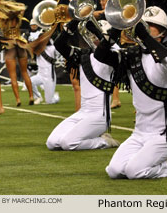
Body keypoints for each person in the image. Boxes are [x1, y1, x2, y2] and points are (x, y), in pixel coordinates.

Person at [106, 6, 167, 179]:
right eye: (143, 23)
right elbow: (104, 56)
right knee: (114, 171)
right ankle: (157, 162)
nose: (144, 26)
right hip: (139, 133)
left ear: (163, 33)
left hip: (164, 136)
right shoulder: (133, 54)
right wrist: (113, 30)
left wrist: (145, 37)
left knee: (135, 172)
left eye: (151, 24)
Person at [46, 18, 120, 150]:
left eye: (95, 34)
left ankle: (104, 142)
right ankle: (94, 137)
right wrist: (72, 24)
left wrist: (99, 31)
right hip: (83, 112)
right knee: (52, 143)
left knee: (68, 143)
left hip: (100, 115)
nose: (92, 37)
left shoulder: (113, 55)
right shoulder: (84, 55)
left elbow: (106, 47)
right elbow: (59, 44)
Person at [36, 0, 87, 111]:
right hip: (68, 43)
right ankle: (80, 114)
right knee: (76, 83)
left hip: (82, 42)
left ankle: (86, 114)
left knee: (82, 82)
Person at [31, 37, 60, 105]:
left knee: (49, 101)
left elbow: (58, 53)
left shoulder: (52, 48)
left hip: (49, 76)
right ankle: (38, 96)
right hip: (40, 74)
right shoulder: (38, 49)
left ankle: (56, 97)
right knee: (29, 82)